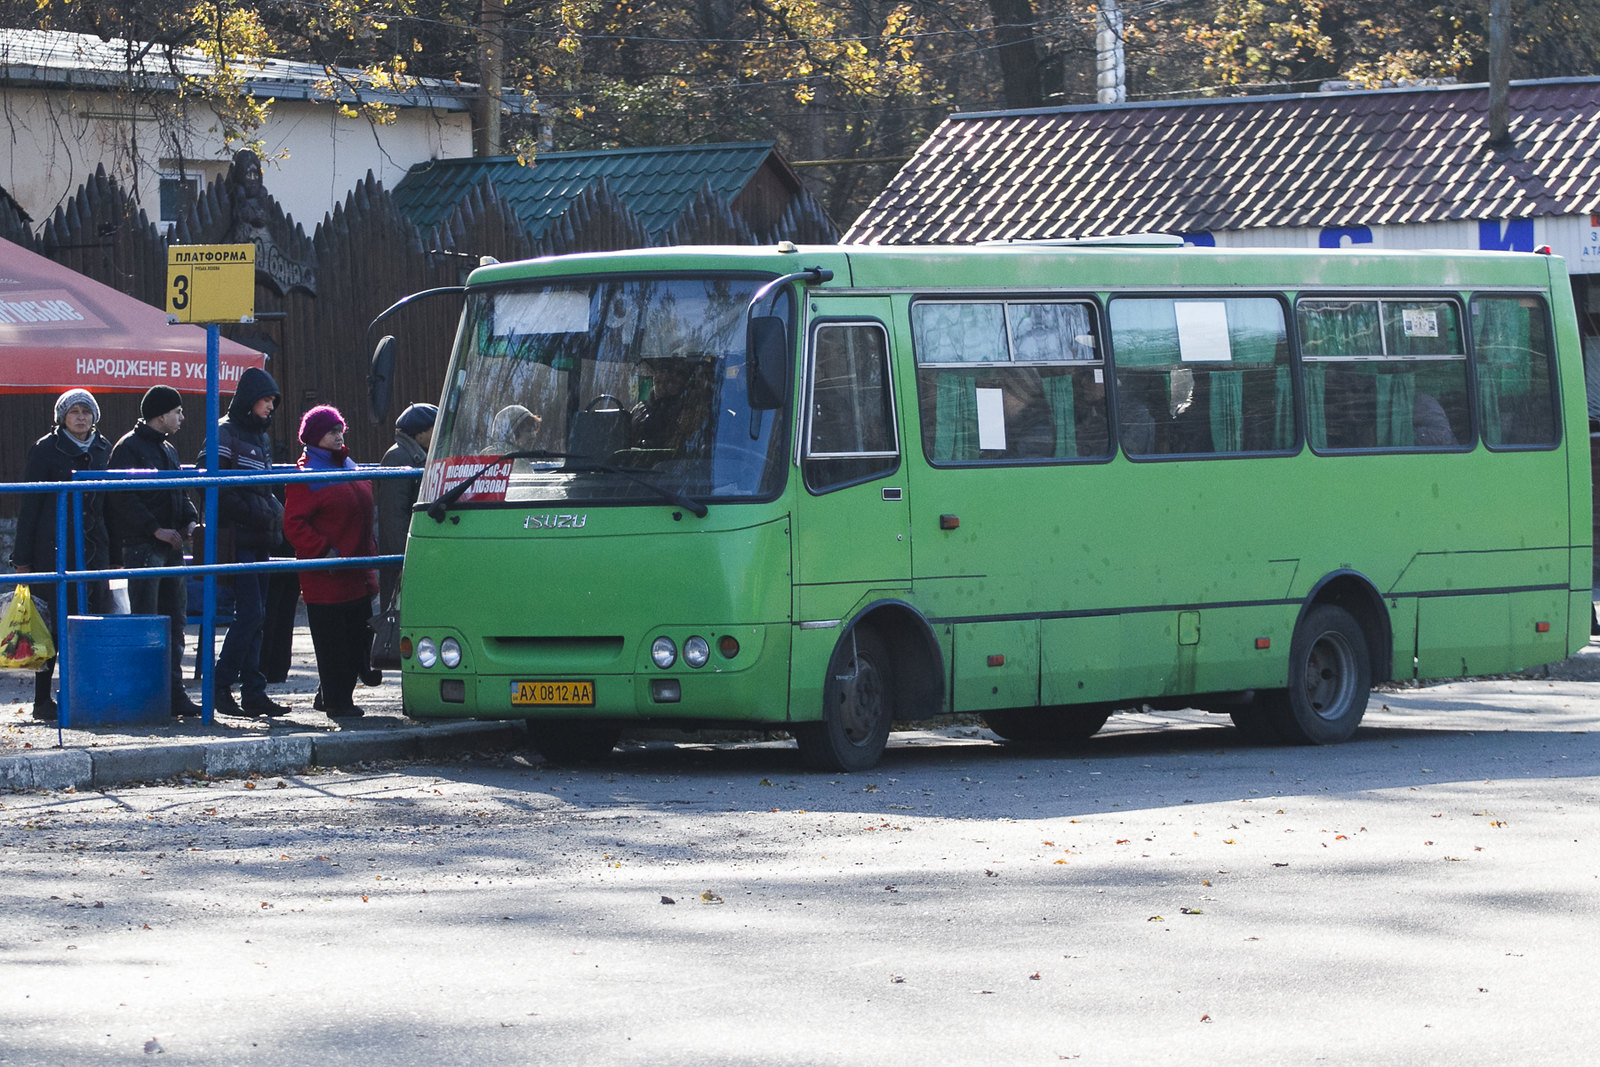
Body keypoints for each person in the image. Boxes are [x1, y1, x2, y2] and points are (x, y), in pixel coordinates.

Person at [10, 389, 113, 721]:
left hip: (94, 546)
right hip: (53, 548)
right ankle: (43, 699)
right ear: (62, 417)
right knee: (50, 624)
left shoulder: (102, 448)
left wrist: (114, 554)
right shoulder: (46, 449)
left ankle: (83, 692)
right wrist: (22, 558)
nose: (81, 417)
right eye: (74, 412)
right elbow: (30, 504)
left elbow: (110, 505)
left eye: (86, 411)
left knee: (92, 617)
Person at [109, 386, 202, 718]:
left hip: (170, 545)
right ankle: (146, 694)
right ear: (161, 415)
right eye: (177, 411)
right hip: (144, 546)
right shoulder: (128, 449)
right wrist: (154, 529)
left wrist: (190, 521)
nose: (181, 417)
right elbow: (122, 497)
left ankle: (172, 693)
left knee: (175, 622)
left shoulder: (167, 450)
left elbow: (179, 491)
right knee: (147, 621)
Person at [205, 366, 289, 718]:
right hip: (237, 537)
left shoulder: (260, 437)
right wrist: (257, 511)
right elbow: (213, 484)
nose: (270, 407)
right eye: (266, 400)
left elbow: (261, 486)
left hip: (259, 538)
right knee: (251, 614)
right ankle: (220, 685)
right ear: (250, 401)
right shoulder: (224, 432)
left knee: (258, 616)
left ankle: (253, 691)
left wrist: (271, 513)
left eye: (272, 401)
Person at [284, 406, 377, 718]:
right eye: (331, 432)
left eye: (340, 430)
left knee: (357, 633)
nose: (339, 436)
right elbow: (294, 524)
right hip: (327, 574)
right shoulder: (306, 475)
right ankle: (337, 700)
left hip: (356, 568)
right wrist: (324, 551)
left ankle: (331, 694)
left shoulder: (348, 464)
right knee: (334, 641)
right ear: (314, 437)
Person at [375, 402, 436, 612]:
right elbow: (393, 516)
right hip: (405, 556)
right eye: (433, 429)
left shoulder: (416, 455)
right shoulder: (398, 458)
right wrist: (404, 557)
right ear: (420, 433)